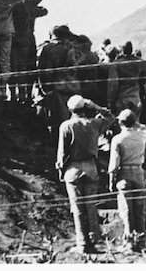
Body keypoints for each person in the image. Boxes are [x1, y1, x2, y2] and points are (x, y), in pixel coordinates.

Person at [56, 95, 115, 254]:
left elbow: (62, 154)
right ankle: (93, 241)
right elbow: (111, 117)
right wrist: (95, 106)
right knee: (90, 206)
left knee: (77, 208)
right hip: (90, 167)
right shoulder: (94, 124)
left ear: (70, 110)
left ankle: (82, 243)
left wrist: (61, 171)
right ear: (84, 108)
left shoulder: (66, 126)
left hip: (73, 169)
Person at [108, 108, 146, 251]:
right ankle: (141, 240)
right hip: (139, 172)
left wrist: (111, 180)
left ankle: (129, 242)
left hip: (124, 173)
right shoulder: (142, 136)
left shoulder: (117, 139)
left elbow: (114, 164)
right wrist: (135, 123)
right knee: (140, 208)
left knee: (126, 210)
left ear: (120, 122)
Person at [38, 25, 80, 138]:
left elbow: (44, 71)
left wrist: (45, 89)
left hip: (57, 88)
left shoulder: (48, 49)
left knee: (58, 121)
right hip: (73, 88)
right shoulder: (73, 48)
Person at [9, 0, 46, 103]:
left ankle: (15, 95)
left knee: (14, 67)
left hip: (14, 38)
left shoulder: (10, 3)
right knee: (29, 67)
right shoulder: (28, 3)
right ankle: (27, 95)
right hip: (28, 38)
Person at [107, 42, 146, 120]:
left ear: (122, 50)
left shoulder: (116, 64)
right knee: (136, 125)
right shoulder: (137, 62)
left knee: (122, 124)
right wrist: (134, 57)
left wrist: (110, 100)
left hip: (121, 100)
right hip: (135, 99)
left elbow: (113, 84)